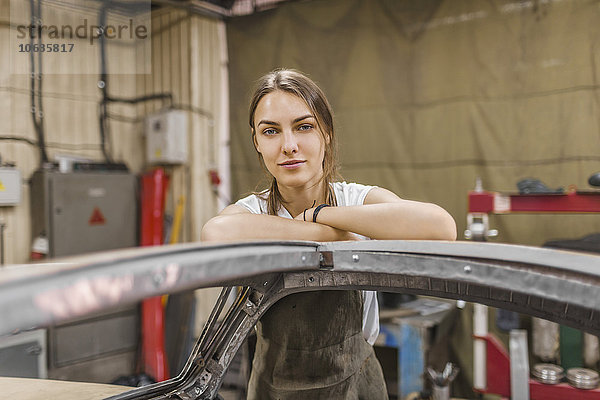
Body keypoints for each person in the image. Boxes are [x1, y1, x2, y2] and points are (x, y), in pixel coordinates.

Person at [201, 68, 457, 399]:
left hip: (357, 385)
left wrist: (324, 212)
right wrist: (330, 234)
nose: (289, 146)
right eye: (271, 132)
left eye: (304, 127)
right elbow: (215, 233)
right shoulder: (253, 210)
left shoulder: (355, 201)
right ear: (257, 143)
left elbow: (441, 228)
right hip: (272, 387)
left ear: (327, 133)